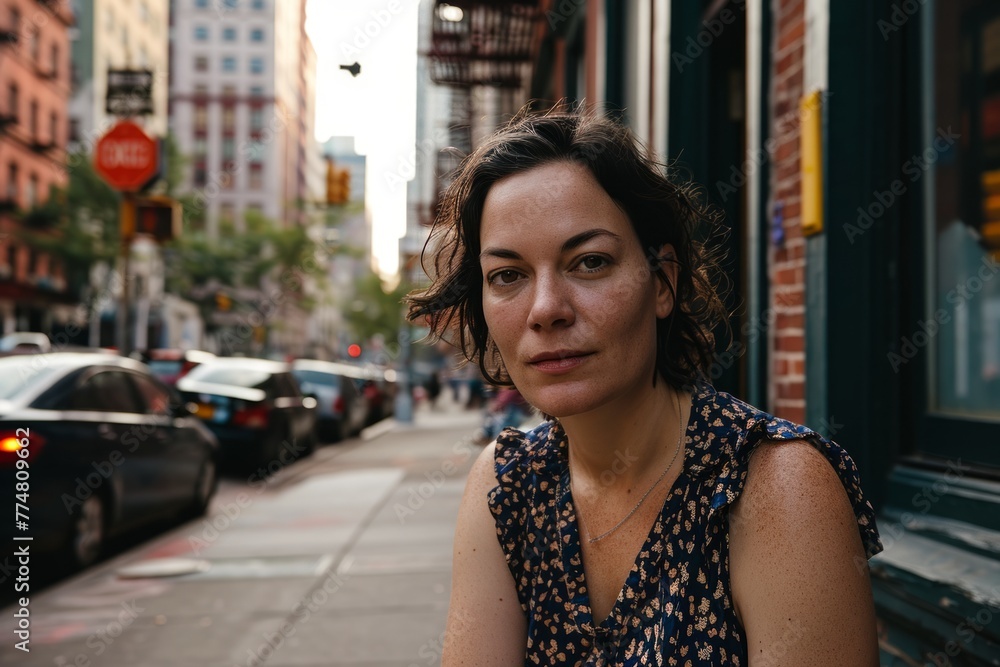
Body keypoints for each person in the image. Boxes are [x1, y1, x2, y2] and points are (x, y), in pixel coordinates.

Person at [406, 108, 882, 666]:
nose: (545, 310)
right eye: (507, 275)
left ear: (662, 283)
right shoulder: (507, 486)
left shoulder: (775, 489)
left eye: (589, 262)